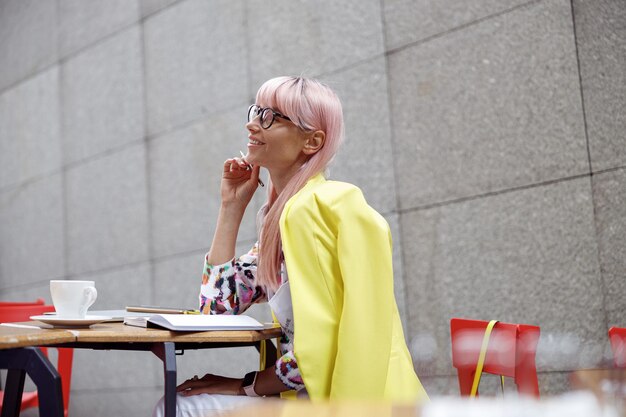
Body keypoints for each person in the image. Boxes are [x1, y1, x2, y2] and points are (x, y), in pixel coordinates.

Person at [153, 76, 428, 417]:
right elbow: (216, 310)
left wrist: (246, 384)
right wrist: (231, 207)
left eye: (271, 116)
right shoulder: (282, 216)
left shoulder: (315, 208)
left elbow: (322, 346)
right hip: (334, 397)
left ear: (312, 141)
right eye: (256, 111)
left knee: (180, 408)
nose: (252, 124)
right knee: (181, 405)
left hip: (355, 402)